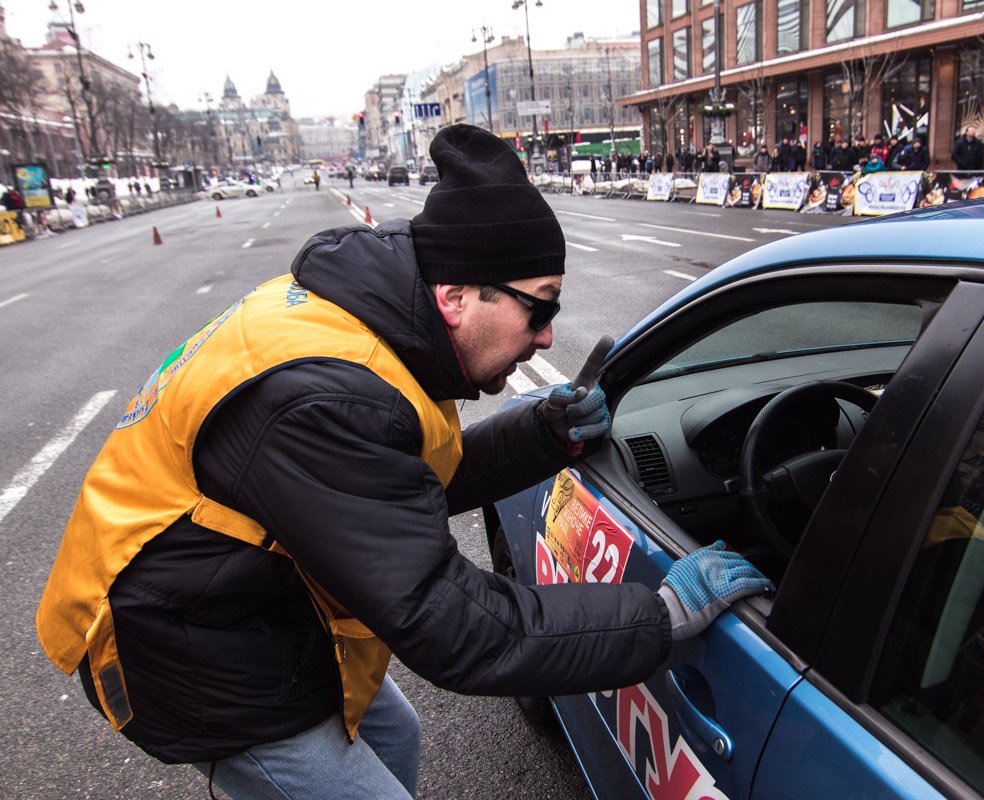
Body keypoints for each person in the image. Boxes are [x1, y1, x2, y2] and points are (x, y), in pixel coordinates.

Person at [36, 124, 772, 800]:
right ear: (454, 296)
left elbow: (406, 484)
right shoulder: (326, 397)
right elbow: (451, 624)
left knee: (396, 732)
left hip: (247, 593)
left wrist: (546, 436)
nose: (548, 339)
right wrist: (658, 618)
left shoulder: (369, 326)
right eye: (538, 309)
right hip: (189, 648)